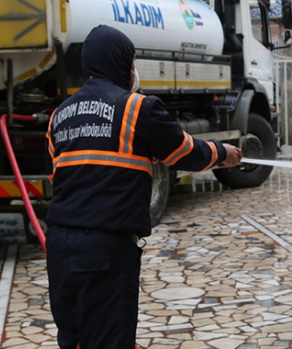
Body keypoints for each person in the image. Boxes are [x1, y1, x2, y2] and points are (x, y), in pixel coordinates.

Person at [44, 25, 242, 349]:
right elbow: (184, 152)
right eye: (132, 61)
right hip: (105, 250)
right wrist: (224, 153)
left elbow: (57, 176)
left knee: (75, 340)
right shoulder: (137, 109)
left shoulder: (59, 116)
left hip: (60, 249)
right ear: (121, 62)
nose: (134, 70)